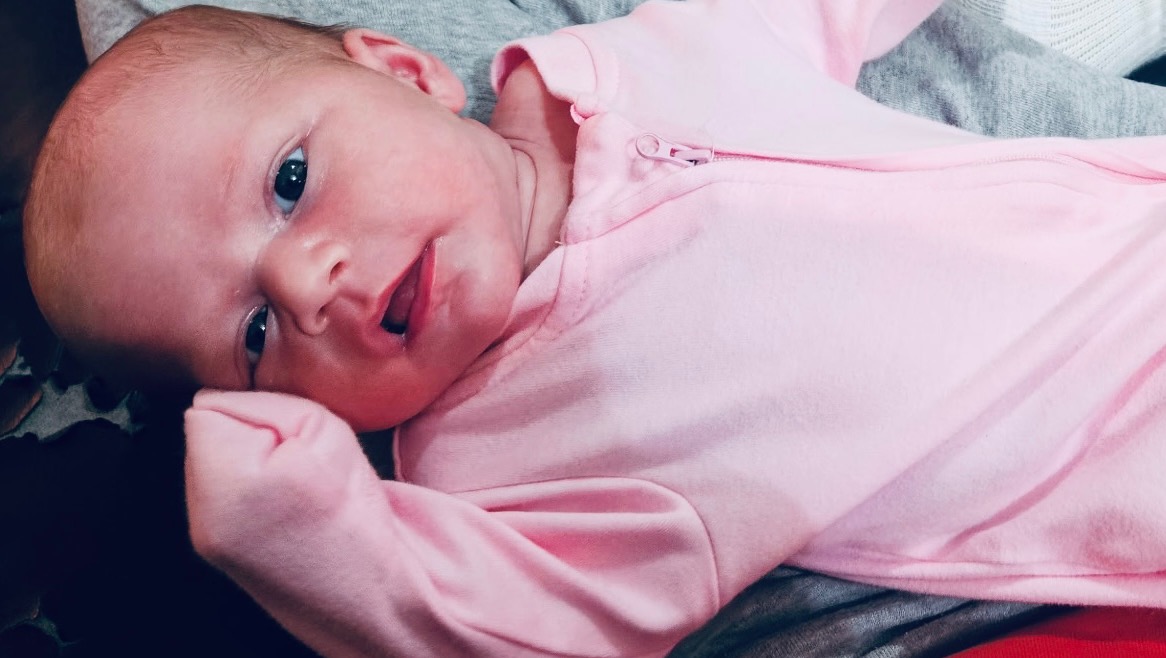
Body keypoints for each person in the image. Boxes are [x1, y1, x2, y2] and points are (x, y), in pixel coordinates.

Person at [23, 1, 1166, 656]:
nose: (306, 281)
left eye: (289, 180)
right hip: (1107, 470)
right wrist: (297, 527)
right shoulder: (487, 478)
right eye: (255, 335)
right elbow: (505, 635)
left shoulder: (617, 61)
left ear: (409, 72)